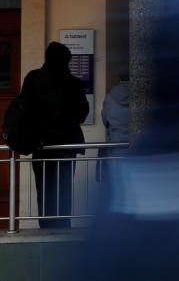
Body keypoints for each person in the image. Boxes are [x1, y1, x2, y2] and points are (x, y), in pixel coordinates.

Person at [21, 41, 89, 228]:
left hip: (41, 144)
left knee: (43, 190)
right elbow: (82, 113)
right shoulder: (73, 83)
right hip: (66, 146)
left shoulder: (33, 78)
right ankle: (62, 228)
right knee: (63, 191)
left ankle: (46, 228)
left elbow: (24, 109)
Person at [98, 68, 130, 181]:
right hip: (137, 147)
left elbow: (105, 120)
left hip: (116, 147)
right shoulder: (142, 96)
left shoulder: (110, 97)